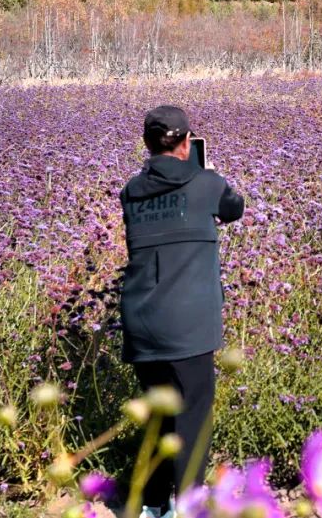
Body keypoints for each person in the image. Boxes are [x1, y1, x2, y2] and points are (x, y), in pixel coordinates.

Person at [118, 106, 245, 518]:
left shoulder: (131, 192)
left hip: (141, 321)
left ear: (146, 144)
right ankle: (187, 505)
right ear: (188, 142)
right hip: (188, 325)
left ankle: (150, 504)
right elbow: (234, 208)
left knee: (158, 416)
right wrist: (212, 174)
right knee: (191, 419)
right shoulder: (206, 182)